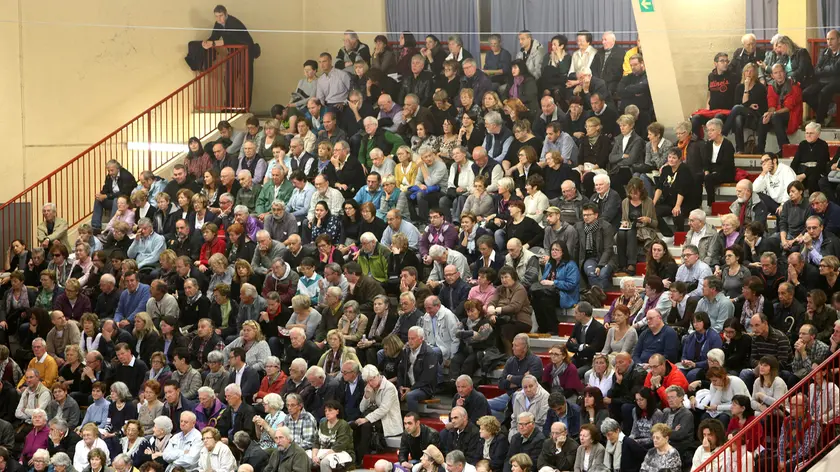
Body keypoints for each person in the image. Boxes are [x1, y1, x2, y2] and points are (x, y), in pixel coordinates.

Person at [757, 64, 804, 154]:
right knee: (763, 118)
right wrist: (768, 113)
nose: (779, 75)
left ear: (785, 73)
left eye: (781, 72)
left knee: (775, 117)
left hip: (792, 115)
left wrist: (772, 113)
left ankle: (784, 148)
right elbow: (772, 105)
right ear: (772, 76)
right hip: (777, 114)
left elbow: (788, 107)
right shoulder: (771, 86)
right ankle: (760, 150)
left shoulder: (793, 86)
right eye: (776, 73)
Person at [724, 63, 768, 153]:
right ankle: (740, 149)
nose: (749, 73)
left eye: (751, 71)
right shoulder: (739, 87)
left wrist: (747, 104)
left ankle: (724, 131)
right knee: (738, 118)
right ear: (743, 73)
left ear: (755, 74)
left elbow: (760, 106)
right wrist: (746, 89)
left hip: (756, 115)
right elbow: (738, 103)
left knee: (737, 108)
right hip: (743, 114)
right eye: (747, 71)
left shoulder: (760, 87)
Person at [803, 29, 840, 126]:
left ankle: (819, 121)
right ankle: (826, 113)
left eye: (832, 39)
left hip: (837, 81)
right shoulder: (825, 52)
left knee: (824, 92)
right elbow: (816, 69)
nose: (829, 42)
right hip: (823, 80)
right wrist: (826, 70)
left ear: (839, 40)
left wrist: (823, 69)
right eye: (827, 39)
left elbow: (835, 69)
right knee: (805, 93)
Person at [777, 393, 820, 472]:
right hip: (787, 455)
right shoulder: (786, 420)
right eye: (790, 404)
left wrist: (787, 462)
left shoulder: (813, 423)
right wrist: (782, 460)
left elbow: (806, 449)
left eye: (795, 405)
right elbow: (781, 442)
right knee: (762, 462)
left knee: (789, 467)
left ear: (804, 407)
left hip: (803, 457)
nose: (791, 407)